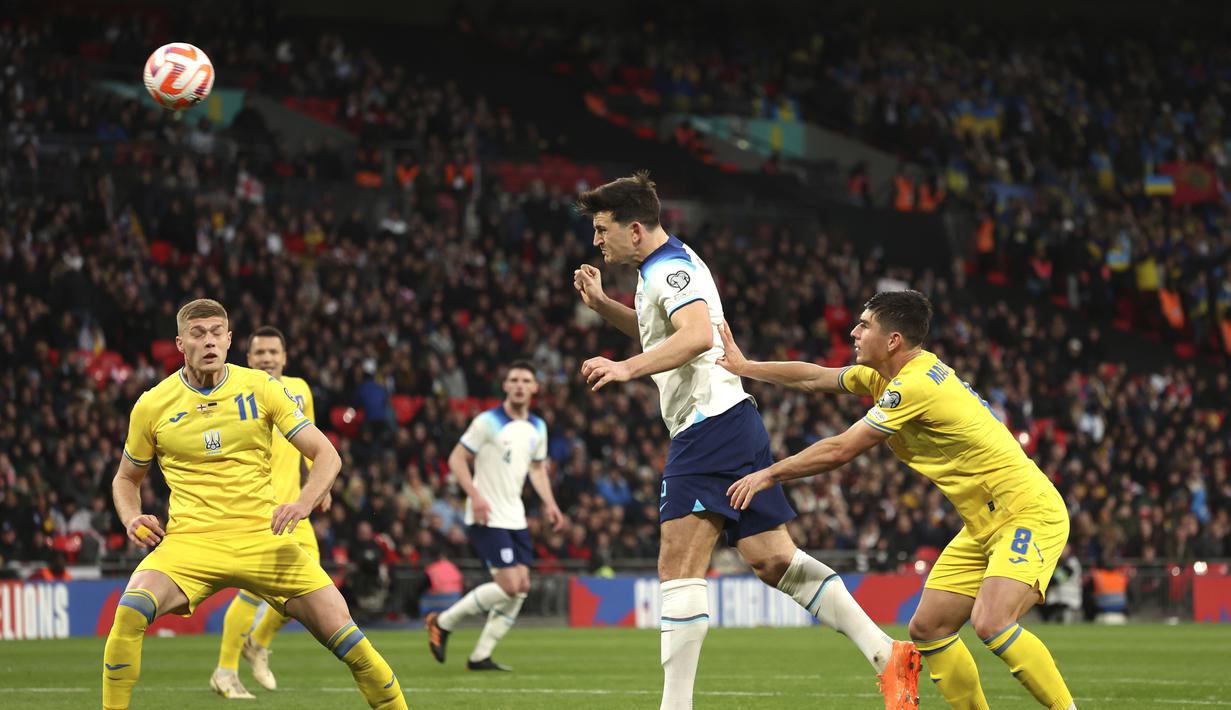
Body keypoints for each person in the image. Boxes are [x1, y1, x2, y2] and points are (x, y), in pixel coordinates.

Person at [572, 173, 920, 710]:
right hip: (731, 420)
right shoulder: (657, 270)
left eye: (602, 229)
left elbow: (696, 337)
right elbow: (663, 337)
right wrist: (603, 307)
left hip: (707, 425)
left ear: (634, 229)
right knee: (772, 559)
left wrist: (626, 369)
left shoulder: (671, 271)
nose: (597, 241)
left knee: (677, 566)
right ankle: (886, 654)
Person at [721, 289, 1076, 710]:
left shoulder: (914, 384)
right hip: (983, 524)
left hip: (1027, 510)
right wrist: (745, 367)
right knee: (929, 628)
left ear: (893, 341)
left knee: (991, 621)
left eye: (864, 325)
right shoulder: (882, 377)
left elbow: (841, 449)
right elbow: (814, 377)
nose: (853, 332)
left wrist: (769, 473)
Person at [101, 299, 406, 710]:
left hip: (264, 538)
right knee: (131, 610)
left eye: (215, 333)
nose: (208, 340)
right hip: (191, 543)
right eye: (197, 333)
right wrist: (131, 516)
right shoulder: (152, 404)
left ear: (228, 340)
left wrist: (303, 502)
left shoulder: (262, 388)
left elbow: (327, 454)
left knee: (350, 640)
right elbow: (125, 478)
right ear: (180, 343)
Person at [425, 360, 568, 671]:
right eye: (513, 379)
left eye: (525, 380)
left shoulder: (538, 427)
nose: (519, 385)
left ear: (535, 388)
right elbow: (456, 459)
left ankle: (480, 655)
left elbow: (536, 469)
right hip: (486, 513)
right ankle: (442, 622)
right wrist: (475, 495)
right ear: (505, 386)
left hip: (514, 515)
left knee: (522, 586)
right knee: (510, 585)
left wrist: (551, 504)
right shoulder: (487, 421)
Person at [213, 325, 326, 695]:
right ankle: (225, 671)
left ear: (284, 356)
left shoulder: (300, 390)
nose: (267, 359)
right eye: (259, 353)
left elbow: (310, 440)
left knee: (308, 586)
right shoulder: (235, 391)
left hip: (295, 507)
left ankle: (257, 644)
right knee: (254, 590)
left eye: (273, 352)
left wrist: (318, 485)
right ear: (248, 359)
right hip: (257, 508)